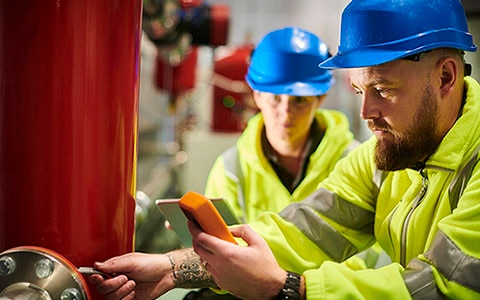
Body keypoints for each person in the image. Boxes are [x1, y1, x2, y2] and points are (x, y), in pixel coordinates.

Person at [89, 0, 480, 299]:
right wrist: (172, 268)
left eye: (383, 90)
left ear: (446, 77)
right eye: (360, 91)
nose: (366, 113)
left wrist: (289, 288)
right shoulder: (386, 158)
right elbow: (302, 230)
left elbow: (443, 285)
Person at [205, 26, 356, 225]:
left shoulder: (354, 162)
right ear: (257, 96)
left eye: (299, 101)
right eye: (275, 98)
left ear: (320, 98)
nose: (286, 112)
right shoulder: (231, 170)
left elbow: (374, 252)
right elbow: (218, 247)